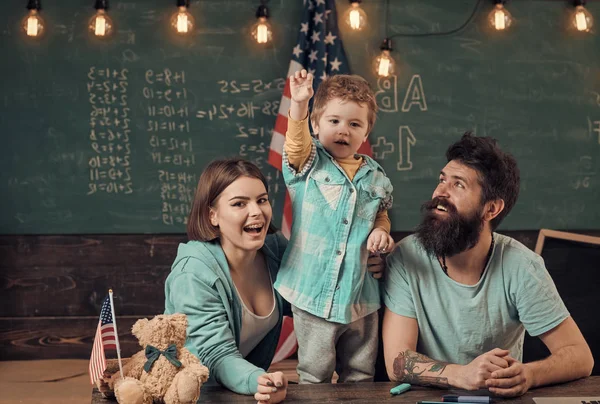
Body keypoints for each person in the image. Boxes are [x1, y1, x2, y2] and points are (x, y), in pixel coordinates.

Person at [382, 133, 594, 397]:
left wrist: (529, 375)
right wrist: (461, 374)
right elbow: (397, 361)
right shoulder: (407, 257)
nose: (440, 193)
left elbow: (580, 356)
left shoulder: (522, 266)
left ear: (491, 209)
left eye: (458, 185)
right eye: (442, 180)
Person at [274, 69, 395, 384]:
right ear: (316, 124)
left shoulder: (376, 176)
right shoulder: (309, 163)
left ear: (366, 132)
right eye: (334, 121)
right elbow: (296, 141)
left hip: (361, 297)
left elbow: (379, 212)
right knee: (315, 372)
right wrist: (300, 103)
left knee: (361, 372)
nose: (344, 130)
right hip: (315, 293)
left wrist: (381, 231)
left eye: (355, 124)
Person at [164, 158, 288, 404]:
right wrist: (259, 381)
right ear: (213, 216)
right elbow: (216, 354)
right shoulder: (193, 273)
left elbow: (319, 295)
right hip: (193, 394)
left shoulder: (276, 251)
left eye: (261, 200)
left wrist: (372, 263)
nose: (256, 211)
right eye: (239, 203)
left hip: (243, 390)